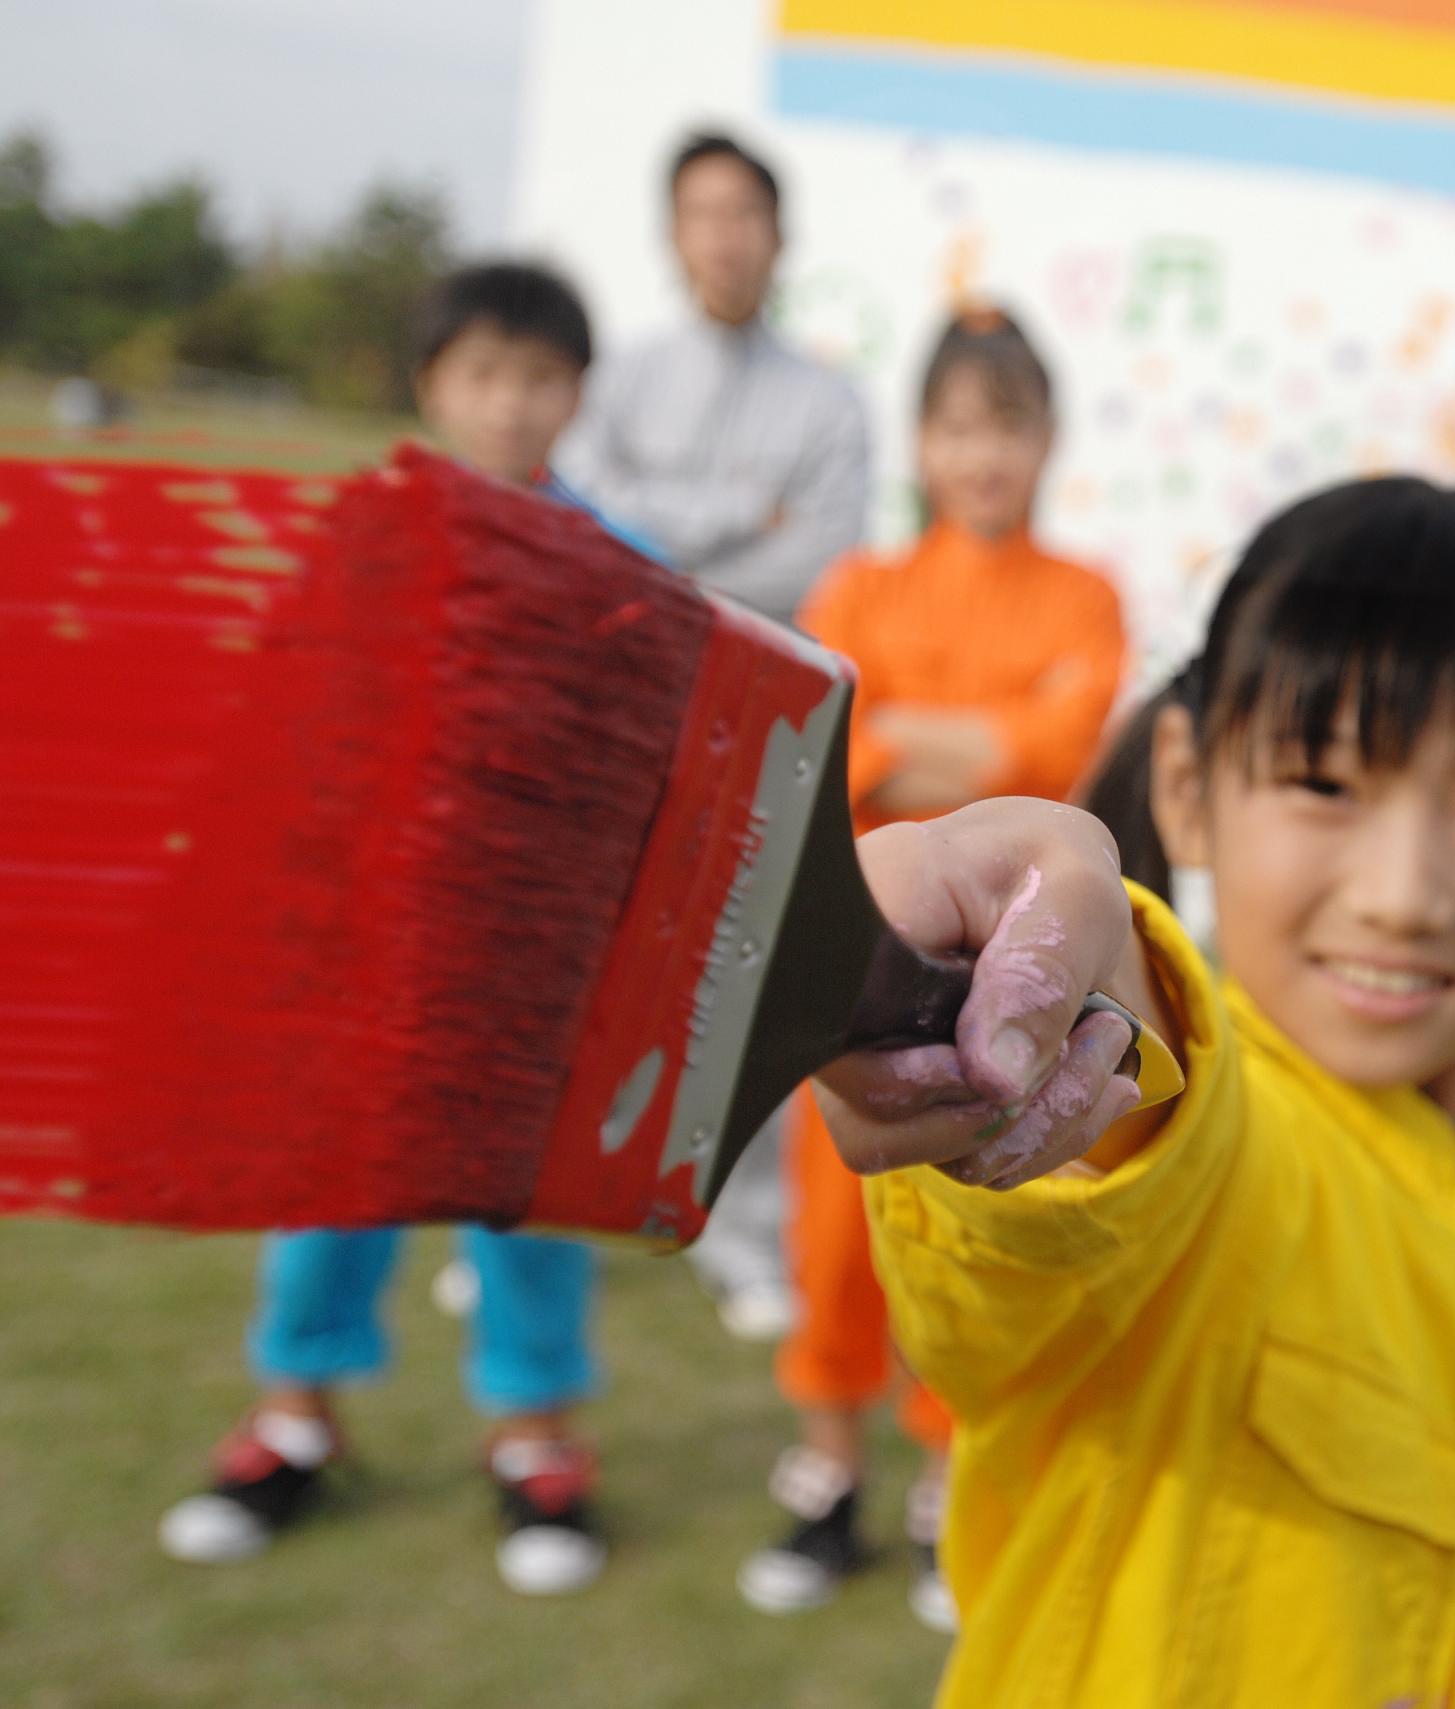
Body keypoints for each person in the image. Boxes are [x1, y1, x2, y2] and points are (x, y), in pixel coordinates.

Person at [799, 477, 1455, 1705]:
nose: (1403, 894)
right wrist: (1034, 967)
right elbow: (1135, 1126)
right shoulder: (1199, 1150)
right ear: (1186, 785)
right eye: (1324, 785)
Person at [158, 263, 630, 1598]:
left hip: (526, 953)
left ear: (576, 395)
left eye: (539, 377)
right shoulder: (364, 541)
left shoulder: (610, 564)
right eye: (484, 374)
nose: (509, 402)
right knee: (331, 1182)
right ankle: (294, 1417)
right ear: (433, 386)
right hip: (365, 940)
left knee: (523, 1201)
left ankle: (536, 1440)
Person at [738, 306, 1126, 1632]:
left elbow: (1063, 754)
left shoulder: (1085, 595)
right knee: (835, 1228)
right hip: (849, 960)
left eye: (1006, 425)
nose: (982, 454)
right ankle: (826, 1468)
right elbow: (825, 741)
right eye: (957, 426)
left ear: (1047, 439)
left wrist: (906, 731)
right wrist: (967, 742)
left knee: (990, 1219)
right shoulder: (861, 586)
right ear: (920, 441)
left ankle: (946, 1485)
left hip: (1014, 968)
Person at [553, 129, 875, 1340]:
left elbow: (820, 558)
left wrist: (663, 548)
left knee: (741, 977)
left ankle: (739, 1236)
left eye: (745, 213)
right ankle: (546, 1220)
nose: (725, 237)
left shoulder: (828, 401)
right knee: (582, 966)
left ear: (778, 235)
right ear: (672, 233)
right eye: (703, 212)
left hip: (755, 725)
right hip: (618, 706)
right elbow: (588, 517)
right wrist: (740, 510)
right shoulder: (618, 379)